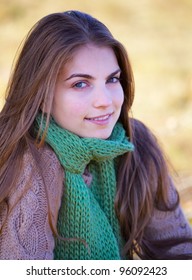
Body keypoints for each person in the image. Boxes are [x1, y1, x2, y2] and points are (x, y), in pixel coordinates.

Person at [0, 10, 192, 260]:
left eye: (112, 80)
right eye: (80, 84)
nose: (105, 101)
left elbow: (180, 252)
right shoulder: (28, 159)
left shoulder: (135, 145)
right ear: (43, 96)